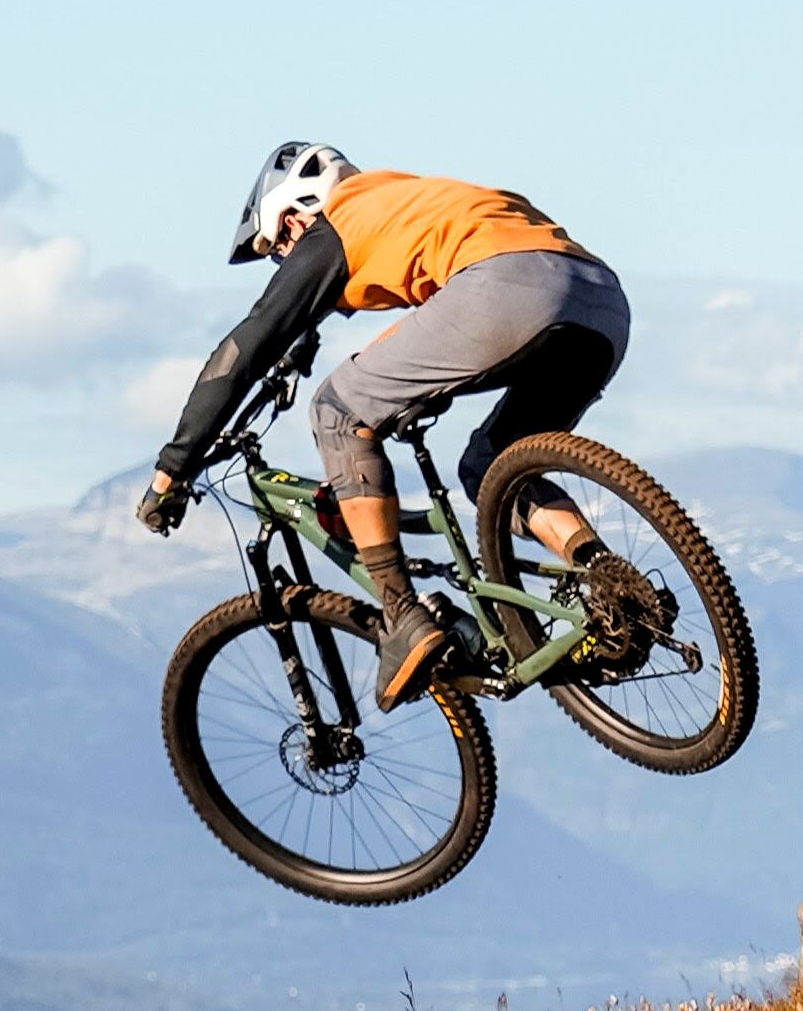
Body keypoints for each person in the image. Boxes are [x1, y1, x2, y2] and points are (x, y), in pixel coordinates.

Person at [137, 141, 636, 710]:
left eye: (279, 246)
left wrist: (173, 469)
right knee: (492, 468)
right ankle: (614, 585)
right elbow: (309, 329)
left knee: (337, 411)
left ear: (298, 212)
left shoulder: (336, 223)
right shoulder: (403, 200)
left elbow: (247, 346)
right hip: (601, 303)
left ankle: (402, 613)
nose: (285, 262)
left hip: (504, 289)